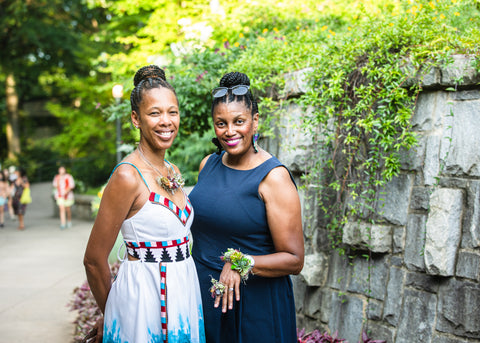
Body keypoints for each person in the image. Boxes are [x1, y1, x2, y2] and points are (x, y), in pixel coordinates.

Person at [84, 65, 205, 343]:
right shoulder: (127, 175)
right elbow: (93, 260)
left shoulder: (172, 169)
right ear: (136, 119)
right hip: (143, 302)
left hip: (182, 297)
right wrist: (114, 314)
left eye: (172, 112)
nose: (166, 121)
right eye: (155, 113)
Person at [189, 71, 304, 343]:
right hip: (204, 300)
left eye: (239, 121)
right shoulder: (208, 165)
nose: (230, 131)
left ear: (255, 121)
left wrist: (242, 263)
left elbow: (294, 259)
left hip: (254, 308)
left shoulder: (273, 177)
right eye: (221, 123)